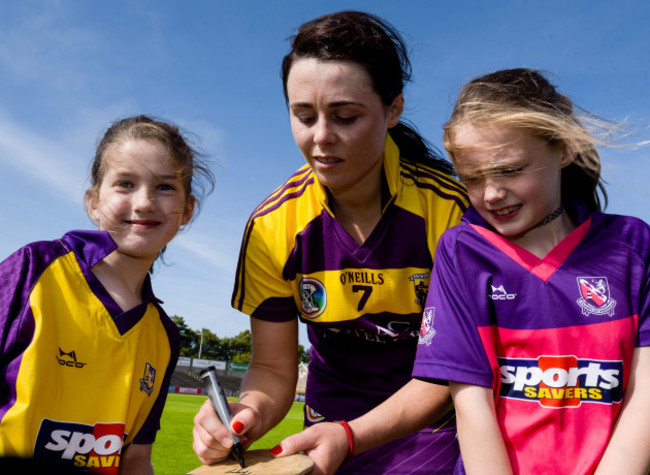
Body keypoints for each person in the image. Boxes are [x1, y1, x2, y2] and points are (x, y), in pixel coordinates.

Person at [193, 10, 468, 475]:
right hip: (326, 426)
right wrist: (247, 414)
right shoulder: (271, 225)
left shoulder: (452, 211)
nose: (320, 138)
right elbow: (275, 369)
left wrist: (353, 435)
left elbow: (452, 367)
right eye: (303, 116)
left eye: (345, 116)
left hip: (432, 426)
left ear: (393, 110)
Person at [411, 68, 650, 474]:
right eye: (472, 177)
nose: (491, 193)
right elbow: (471, 405)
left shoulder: (632, 245)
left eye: (509, 170)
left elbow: (645, 395)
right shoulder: (461, 253)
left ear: (564, 149)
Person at [0, 115, 214, 474]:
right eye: (126, 184)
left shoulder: (163, 337)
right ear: (94, 201)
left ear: (187, 210)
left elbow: (135, 460)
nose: (145, 202)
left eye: (164, 187)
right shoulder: (34, 270)